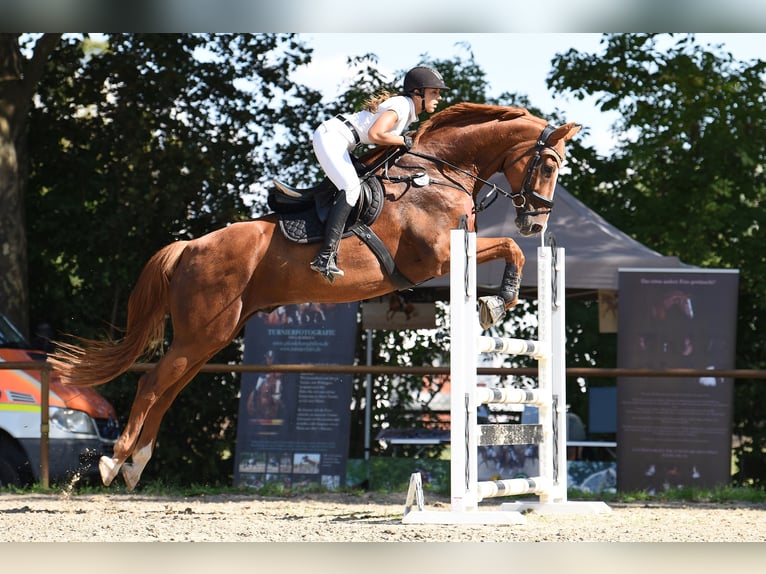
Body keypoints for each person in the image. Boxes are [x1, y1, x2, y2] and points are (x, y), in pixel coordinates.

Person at [309, 65, 448, 283]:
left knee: (359, 184)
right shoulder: (402, 106)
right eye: (434, 92)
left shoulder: (407, 110)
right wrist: (404, 140)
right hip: (332, 138)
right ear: (417, 93)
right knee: (352, 189)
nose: (438, 98)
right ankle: (325, 256)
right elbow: (376, 134)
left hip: (342, 141)